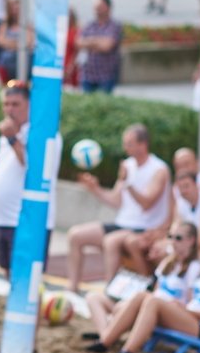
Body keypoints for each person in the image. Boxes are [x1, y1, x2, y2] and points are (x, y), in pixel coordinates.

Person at [101, 225, 200, 353]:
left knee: (152, 300)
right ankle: (104, 342)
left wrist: (186, 310)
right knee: (142, 296)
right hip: (188, 317)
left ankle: (127, 351)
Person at [66, 124, 171, 293]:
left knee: (110, 241)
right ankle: (72, 288)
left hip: (143, 227)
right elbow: (116, 201)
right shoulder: (128, 165)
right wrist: (95, 188)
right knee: (75, 235)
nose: (125, 148)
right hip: (122, 223)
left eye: (129, 143)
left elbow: (146, 203)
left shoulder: (159, 169)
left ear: (143, 144)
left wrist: (128, 182)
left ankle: (110, 292)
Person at [0, 81, 61, 279]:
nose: (9, 109)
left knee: (28, 275)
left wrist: (13, 138)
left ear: (29, 105)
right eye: (6, 104)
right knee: (8, 271)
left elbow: (35, 168)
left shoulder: (43, 133)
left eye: (15, 104)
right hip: (4, 216)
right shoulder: (7, 133)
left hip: (27, 216)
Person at [84, 221, 199, 341]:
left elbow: (190, 304)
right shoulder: (167, 263)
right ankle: (105, 334)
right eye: (170, 237)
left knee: (124, 306)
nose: (173, 241)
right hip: (147, 303)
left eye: (178, 238)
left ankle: (106, 339)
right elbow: (156, 291)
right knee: (93, 298)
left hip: (163, 310)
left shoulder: (194, 267)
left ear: (191, 240)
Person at [78, 0, 122, 94]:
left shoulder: (114, 25)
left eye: (100, 6)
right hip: (88, 75)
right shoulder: (89, 24)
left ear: (108, 7)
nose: (97, 9)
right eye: (96, 7)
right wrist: (98, 41)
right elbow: (79, 43)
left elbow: (107, 46)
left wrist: (89, 42)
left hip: (106, 75)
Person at [0, 0, 33, 83]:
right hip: (6, 63)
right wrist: (18, 44)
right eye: (13, 9)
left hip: (24, 64)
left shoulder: (28, 24)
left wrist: (9, 43)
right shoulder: (6, 23)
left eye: (18, 9)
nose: (15, 12)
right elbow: (0, 40)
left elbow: (29, 42)